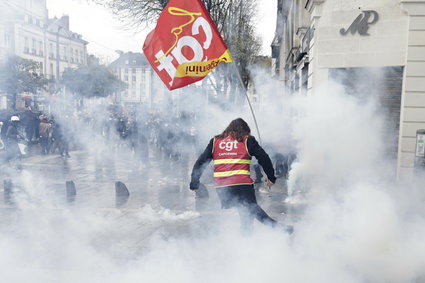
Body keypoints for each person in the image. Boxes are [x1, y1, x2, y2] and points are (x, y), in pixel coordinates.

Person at [190, 118, 278, 233]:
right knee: (251, 208)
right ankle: (280, 229)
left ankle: (246, 236)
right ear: (245, 130)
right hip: (242, 184)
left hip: (222, 186)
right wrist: (271, 177)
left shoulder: (215, 141)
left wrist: (194, 183)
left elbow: (201, 162)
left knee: (245, 210)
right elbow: (264, 158)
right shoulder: (247, 140)